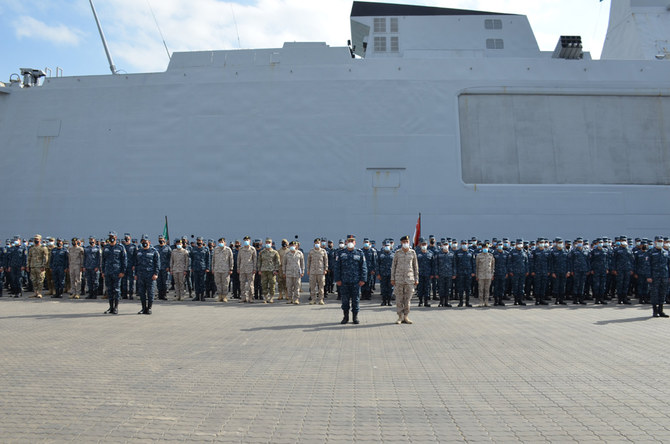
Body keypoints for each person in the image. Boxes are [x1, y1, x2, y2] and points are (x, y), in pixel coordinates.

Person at [334, 235, 367, 324]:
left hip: (356, 282)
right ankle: (345, 317)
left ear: (355, 242)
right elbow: (337, 267)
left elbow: (363, 267)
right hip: (344, 282)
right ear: (346, 242)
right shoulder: (341, 253)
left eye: (352, 241)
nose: (350, 243)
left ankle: (355, 317)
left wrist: (363, 279)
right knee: (345, 300)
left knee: (355, 300)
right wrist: (337, 279)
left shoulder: (359, 253)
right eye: (349, 241)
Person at [391, 235, 418, 324]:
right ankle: (400, 317)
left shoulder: (413, 253)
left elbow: (415, 267)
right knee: (399, 299)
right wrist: (392, 278)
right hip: (399, 279)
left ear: (409, 242)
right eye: (403, 242)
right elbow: (393, 266)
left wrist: (416, 278)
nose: (405, 243)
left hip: (409, 279)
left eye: (406, 242)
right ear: (401, 243)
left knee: (407, 299)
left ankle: (406, 316)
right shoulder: (397, 253)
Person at [102, 231, 127, 314]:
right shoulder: (106, 247)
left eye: (112, 236)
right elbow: (103, 260)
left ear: (116, 237)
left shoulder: (120, 247)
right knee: (109, 290)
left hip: (117, 272)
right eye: (110, 236)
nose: (111, 237)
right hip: (108, 271)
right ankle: (110, 307)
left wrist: (123, 271)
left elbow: (124, 260)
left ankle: (116, 307)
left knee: (116, 290)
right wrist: (103, 271)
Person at [134, 234, 159, 314]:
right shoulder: (139, 251)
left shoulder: (154, 251)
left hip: (150, 275)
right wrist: (136, 274)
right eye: (143, 241)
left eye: (146, 241)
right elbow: (136, 264)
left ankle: (149, 308)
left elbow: (157, 264)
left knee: (150, 292)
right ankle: (143, 308)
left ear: (149, 242)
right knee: (142, 293)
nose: (144, 243)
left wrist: (156, 273)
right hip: (141, 275)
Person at [649, 236, 670, 317]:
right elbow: (648, 265)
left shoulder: (665, 252)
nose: (660, 242)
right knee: (654, 293)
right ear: (655, 242)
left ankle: (661, 310)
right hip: (655, 276)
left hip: (664, 276)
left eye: (661, 241)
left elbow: (668, 265)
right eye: (659, 241)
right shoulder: (651, 252)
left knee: (663, 293)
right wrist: (649, 276)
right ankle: (655, 311)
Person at [258, 237, 281, 303]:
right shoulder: (262, 252)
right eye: (267, 243)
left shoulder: (275, 252)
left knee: (272, 284)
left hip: (272, 271)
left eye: (269, 243)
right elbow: (259, 261)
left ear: (271, 244)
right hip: (264, 270)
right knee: (264, 284)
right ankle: (265, 297)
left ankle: (271, 297)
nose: (268, 244)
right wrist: (259, 270)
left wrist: (276, 270)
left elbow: (278, 262)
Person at [211, 237, 234, 302]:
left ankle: (224, 296)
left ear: (225, 243)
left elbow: (231, 260)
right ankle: (219, 296)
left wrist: (231, 268)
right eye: (220, 242)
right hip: (217, 269)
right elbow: (213, 260)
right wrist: (213, 268)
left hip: (225, 270)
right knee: (218, 283)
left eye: (222, 242)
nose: (221, 243)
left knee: (225, 283)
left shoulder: (228, 250)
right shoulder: (216, 249)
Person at [307, 238, 328, 305]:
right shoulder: (311, 251)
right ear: (314, 244)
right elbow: (308, 261)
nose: (317, 244)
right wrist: (308, 270)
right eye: (316, 243)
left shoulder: (323, 251)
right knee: (312, 286)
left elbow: (326, 261)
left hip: (321, 271)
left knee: (321, 287)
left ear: (320, 243)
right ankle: (313, 299)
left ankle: (321, 299)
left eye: (318, 243)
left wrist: (326, 269)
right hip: (312, 271)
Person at [454, 240, 475, 307]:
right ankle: (461, 302)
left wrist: (473, 272)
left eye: (465, 243)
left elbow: (473, 263)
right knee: (461, 288)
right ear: (461, 244)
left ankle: (467, 302)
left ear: (467, 244)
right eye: (463, 243)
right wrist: (456, 272)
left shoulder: (471, 252)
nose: (464, 245)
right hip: (460, 273)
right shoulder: (457, 252)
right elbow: (455, 263)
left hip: (468, 273)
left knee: (468, 288)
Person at [549, 238, 569, 305]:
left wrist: (568, 271)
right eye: (559, 243)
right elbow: (551, 263)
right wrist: (552, 272)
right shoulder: (553, 252)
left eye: (561, 243)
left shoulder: (565, 252)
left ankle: (561, 300)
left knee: (562, 286)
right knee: (556, 286)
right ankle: (557, 300)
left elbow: (568, 262)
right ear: (556, 244)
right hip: (556, 272)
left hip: (564, 271)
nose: (560, 244)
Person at [237, 236, 257, 303]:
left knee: (250, 284)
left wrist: (254, 268)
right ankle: (243, 297)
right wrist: (238, 268)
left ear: (250, 241)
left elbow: (255, 260)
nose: (246, 241)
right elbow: (238, 260)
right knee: (242, 284)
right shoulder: (241, 249)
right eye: (245, 240)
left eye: (247, 240)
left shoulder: (252, 249)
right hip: (242, 269)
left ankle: (250, 297)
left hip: (250, 269)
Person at [415, 238, 435, 307]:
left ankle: (426, 302)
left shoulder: (430, 254)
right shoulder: (417, 254)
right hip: (419, 274)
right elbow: (414, 264)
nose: (424, 245)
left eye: (425, 244)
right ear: (420, 245)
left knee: (427, 288)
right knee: (420, 288)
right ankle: (420, 301)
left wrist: (432, 273)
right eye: (422, 244)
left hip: (428, 274)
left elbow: (433, 264)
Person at [377, 240, 395, 306]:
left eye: (388, 246)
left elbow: (396, 264)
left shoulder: (394, 254)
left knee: (390, 288)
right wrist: (378, 273)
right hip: (382, 274)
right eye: (386, 245)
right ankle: (384, 301)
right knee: (383, 287)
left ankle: (389, 301)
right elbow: (377, 264)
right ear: (384, 246)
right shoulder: (380, 254)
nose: (387, 247)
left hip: (391, 274)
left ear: (390, 246)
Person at [155, 235, 172, 300]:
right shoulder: (156, 248)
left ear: (164, 240)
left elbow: (170, 258)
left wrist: (168, 266)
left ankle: (164, 295)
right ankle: (160, 295)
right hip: (158, 267)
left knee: (165, 282)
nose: (160, 240)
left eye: (162, 239)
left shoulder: (168, 248)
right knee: (159, 282)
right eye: (159, 239)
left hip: (165, 267)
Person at [121, 233, 136, 300]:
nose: (126, 239)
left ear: (130, 238)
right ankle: (124, 294)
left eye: (128, 237)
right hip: (124, 266)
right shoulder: (122, 246)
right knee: (124, 281)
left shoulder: (133, 246)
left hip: (131, 266)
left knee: (131, 281)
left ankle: (131, 294)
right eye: (125, 237)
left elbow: (136, 257)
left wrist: (134, 265)